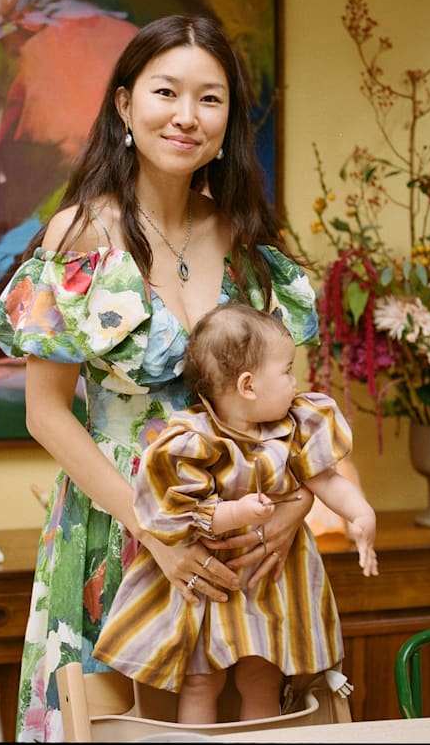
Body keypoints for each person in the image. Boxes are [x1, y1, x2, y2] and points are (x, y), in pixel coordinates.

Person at [0, 14, 321, 741]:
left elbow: (295, 408)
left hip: (245, 542)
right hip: (119, 529)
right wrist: (159, 532)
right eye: (165, 91)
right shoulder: (80, 235)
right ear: (123, 105)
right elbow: (46, 414)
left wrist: (293, 511)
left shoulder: (249, 241)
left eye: (210, 99)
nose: (186, 116)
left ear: (229, 118)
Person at [92, 301, 379, 724]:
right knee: (201, 680)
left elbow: (326, 479)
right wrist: (236, 512)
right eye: (285, 371)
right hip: (211, 583)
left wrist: (361, 513)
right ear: (248, 385)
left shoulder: (295, 425)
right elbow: (182, 512)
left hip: (271, 583)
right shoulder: (194, 439)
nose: (294, 381)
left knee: (261, 677)